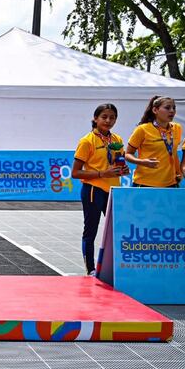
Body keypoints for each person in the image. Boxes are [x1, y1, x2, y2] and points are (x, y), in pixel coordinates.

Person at [71, 104, 129, 275]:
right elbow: (75, 172)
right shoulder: (87, 141)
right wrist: (102, 173)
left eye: (112, 117)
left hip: (113, 190)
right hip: (93, 189)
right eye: (104, 117)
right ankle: (90, 269)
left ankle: (113, 267)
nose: (108, 120)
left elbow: (119, 163)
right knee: (91, 229)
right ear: (95, 119)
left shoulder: (117, 139)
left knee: (116, 229)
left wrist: (123, 170)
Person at [125, 96, 183, 188]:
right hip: (145, 183)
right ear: (155, 110)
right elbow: (127, 154)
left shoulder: (177, 128)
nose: (172, 111)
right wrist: (142, 162)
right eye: (167, 108)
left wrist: (178, 172)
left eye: (174, 108)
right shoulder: (142, 129)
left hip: (171, 183)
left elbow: (173, 152)